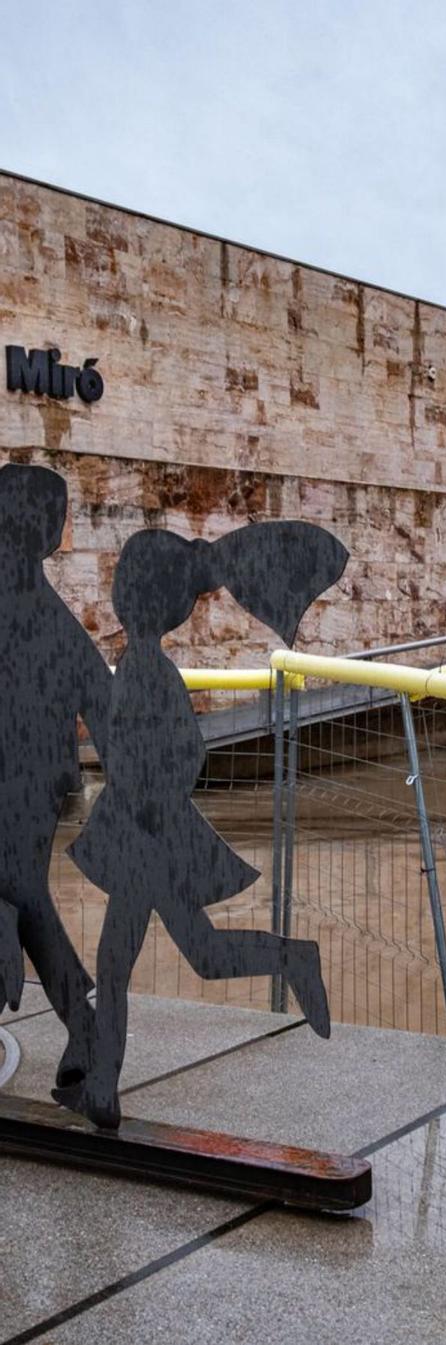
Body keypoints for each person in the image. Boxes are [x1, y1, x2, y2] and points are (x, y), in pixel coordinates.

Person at [55, 522, 348, 1129]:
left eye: (125, 589)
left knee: (117, 965)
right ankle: (293, 958)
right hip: (145, 834)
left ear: (140, 600)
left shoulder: (146, 669)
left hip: (148, 837)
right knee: (199, 955)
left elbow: (187, 752)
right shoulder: (140, 664)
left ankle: (104, 1088)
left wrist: (148, 797)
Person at [0, 463, 111, 1084]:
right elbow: (98, 691)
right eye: (56, 517)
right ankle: (85, 1029)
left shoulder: (28, 600)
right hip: (33, 782)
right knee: (24, 898)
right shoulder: (38, 602)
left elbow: (95, 691)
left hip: (21, 783)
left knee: (23, 898)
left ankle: (86, 1029)